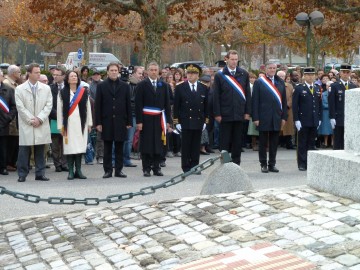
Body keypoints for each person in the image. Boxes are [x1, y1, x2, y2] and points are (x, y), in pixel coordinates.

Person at [15, 63, 52, 182]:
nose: (38, 74)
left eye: (39, 72)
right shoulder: (20, 89)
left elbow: (49, 105)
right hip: (27, 123)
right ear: (29, 73)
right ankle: (22, 174)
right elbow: (20, 107)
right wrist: (31, 120)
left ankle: (40, 173)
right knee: (24, 150)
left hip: (41, 122)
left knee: (40, 149)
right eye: (36, 72)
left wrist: (40, 118)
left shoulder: (46, 88)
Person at [213, 50, 251, 165]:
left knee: (237, 141)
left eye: (236, 60)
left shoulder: (244, 74)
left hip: (239, 113)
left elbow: (248, 94)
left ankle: (236, 164)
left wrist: (247, 112)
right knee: (224, 141)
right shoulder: (220, 75)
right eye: (232, 59)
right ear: (227, 59)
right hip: (225, 113)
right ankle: (225, 163)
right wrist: (217, 114)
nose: (234, 62)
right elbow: (216, 96)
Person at [135, 61, 172, 177]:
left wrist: (168, 122)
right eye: (151, 70)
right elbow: (138, 105)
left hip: (159, 119)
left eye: (155, 70)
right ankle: (146, 168)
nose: (153, 72)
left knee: (158, 144)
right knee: (146, 144)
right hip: (146, 119)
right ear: (147, 71)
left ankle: (157, 168)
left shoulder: (164, 85)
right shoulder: (141, 85)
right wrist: (139, 121)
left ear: (158, 71)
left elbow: (167, 105)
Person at [95, 63, 132, 178]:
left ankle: (119, 170)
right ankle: (108, 170)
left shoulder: (125, 86)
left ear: (119, 72)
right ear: (107, 72)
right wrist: (98, 122)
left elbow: (128, 105)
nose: (114, 72)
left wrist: (129, 121)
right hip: (106, 121)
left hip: (121, 120)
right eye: (111, 70)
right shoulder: (101, 86)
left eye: (116, 70)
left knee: (119, 147)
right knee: (107, 147)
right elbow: (98, 106)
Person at [252, 62, 288, 173]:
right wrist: (255, 117)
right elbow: (255, 101)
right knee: (263, 142)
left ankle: (272, 164)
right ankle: (263, 164)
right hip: (263, 116)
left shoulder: (280, 82)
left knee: (274, 142)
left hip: (276, 116)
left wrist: (284, 117)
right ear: (266, 69)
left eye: (274, 68)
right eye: (270, 68)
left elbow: (284, 101)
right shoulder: (259, 82)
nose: (272, 70)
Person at [57, 71, 92, 180]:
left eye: (75, 76)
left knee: (80, 147)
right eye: (71, 76)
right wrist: (60, 126)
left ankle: (79, 171)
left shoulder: (83, 92)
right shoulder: (62, 92)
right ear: (67, 79)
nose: (73, 78)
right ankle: (71, 171)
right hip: (68, 125)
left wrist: (89, 123)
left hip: (81, 124)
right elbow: (59, 110)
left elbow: (88, 108)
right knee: (70, 148)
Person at [173, 64, 208, 173]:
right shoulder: (180, 87)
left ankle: (195, 165)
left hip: (198, 120)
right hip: (185, 120)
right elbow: (176, 106)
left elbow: (206, 106)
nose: (190, 75)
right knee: (186, 145)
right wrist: (176, 121)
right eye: (188, 73)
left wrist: (205, 120)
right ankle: (186, 166)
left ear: (198, 75)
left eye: (193, 73)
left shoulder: (203, 87)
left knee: (196, 145)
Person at [292, 67, 322, 171]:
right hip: (303, 120)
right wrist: (296, 120)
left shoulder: (317, 88)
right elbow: (295, 105)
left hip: (314, 120)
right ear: (304, 76)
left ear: (315, 76)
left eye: (312, 75)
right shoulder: (299, 88)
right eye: (308, 75)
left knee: (311, 143)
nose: (310, 77)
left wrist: (320, 118)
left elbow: (319, 105)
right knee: (302, 143)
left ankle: (310, 163)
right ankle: (302, 163)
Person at [328, 63, 357, 150]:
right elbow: (331, 103)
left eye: (347, 72)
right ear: (340, 73)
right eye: (344, 72)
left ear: (350, 73)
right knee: (338, 142)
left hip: (350, 118)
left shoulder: (353, 86)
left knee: (348, 142)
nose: (345, 74)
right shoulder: (334, 86)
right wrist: (332, 117)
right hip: (338, 117)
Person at [123, 66, 144, 167]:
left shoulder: (141, 85)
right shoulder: (129, 85)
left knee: (129, 139)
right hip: (130, 114)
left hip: (136, 114)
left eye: (142, 74)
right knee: (128, 138)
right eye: (139, 73)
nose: (141, 76)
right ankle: (125, 159)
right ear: (134, 73)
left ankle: (125, 158)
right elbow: (131, 100)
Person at [49, 68, 68, 172]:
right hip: (54, 119)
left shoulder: (69, 88)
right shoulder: (50, 88)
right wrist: (58, 115)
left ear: (64, 76)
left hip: (67, 119)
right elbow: (48, 104)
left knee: (65, 142)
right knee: (55, 144)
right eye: (54, 75)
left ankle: (65, 164)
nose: (55, 76)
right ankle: (57, 164)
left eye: (57, 75)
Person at [3, 65, 21, 172]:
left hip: (14, 117)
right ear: (13, 73)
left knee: (14, 141)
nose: (20, 74)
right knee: (10, 142)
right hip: (9, 119)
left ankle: (11, 162)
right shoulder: (7, 84)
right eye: (18, 72)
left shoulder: (14, 84)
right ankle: (8, 162)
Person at [0, 70, 17, 175]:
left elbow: (13, 106)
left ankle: (3, 167)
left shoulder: (9, 90)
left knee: (3, 147)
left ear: (2, 77)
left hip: (4, 123)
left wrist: (8, 118)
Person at [89, 71, 104, 164]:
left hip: (102, 111)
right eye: (94, 74)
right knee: (94, 136)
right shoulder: (90, 86)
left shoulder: (103, 84)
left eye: (97, 74)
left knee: (101, 136)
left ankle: (101, 155)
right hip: (93, 112)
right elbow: (90, 98)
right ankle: (93, 155)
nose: (96, 76)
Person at [277, 71, 295, 150]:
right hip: (277, 109)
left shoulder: (289, 86)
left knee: (288, 128)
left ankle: (289, 143)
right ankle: (277, 143)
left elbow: (292, 96)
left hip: (288, 109)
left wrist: (288, 104)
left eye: (283, 76)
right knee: (278, 127)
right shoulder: (274, 85)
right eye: (280, 76)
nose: (281, 78)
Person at [318, 80, 333, 148]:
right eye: (328, 85)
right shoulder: (323, 94)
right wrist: (332, 106)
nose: (329, 87)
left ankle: (333, 142)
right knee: (325, 128)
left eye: (330, 86)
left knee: (333, 128)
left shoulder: (334, 93)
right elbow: (323, 104)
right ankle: (325, 142)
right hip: (325, 113)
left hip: (333, 112)